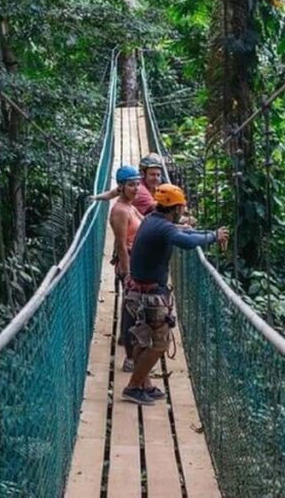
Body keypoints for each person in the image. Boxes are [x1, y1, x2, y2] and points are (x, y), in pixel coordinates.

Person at [121, 184, 229, 405]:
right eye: (181, 207)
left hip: (139, 291)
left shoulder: (153, 219)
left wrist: (208, 234)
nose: (183, 211)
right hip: (148, 295)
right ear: (175, 208)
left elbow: (184, 233)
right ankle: (133, 387)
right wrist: (213, 236)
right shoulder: (163, 228)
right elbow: (188, 242)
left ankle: (144, 384)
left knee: (145, 338)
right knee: (159, 343)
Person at [109, 165, 144, 373]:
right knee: (132, 308)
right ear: (121, 187)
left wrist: (178, 227)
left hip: (137, 260)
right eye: (131, 185)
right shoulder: (120, 211)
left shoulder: (130, 206)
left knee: (132, 305)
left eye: (138, 184)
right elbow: (121, 244)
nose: (136, 188)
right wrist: (128, 272)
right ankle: (130, 359)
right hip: (129, 262)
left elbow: (146, 222)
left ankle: (127, 341)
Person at [92, 153, 164, 215]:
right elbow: (163, 209)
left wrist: (96, 197)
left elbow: (111, 194)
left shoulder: (134, 183)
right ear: (143, 174)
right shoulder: (140, 190)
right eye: (152, 175)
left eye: (158, 175)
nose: (156, 178)